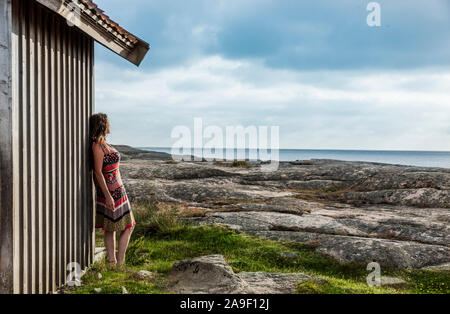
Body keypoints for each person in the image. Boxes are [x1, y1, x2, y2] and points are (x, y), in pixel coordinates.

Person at [89, 113, 136, 268]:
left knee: (115, 227)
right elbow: (98, 172)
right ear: (103, 125)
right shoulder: (97, 146)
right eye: (108, 123)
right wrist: (108, 196)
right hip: (111, 194)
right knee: (124, 227)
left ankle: (113, 262)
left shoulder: (104, 144)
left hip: (119, 192)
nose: (110, 125)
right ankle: (117, 262)